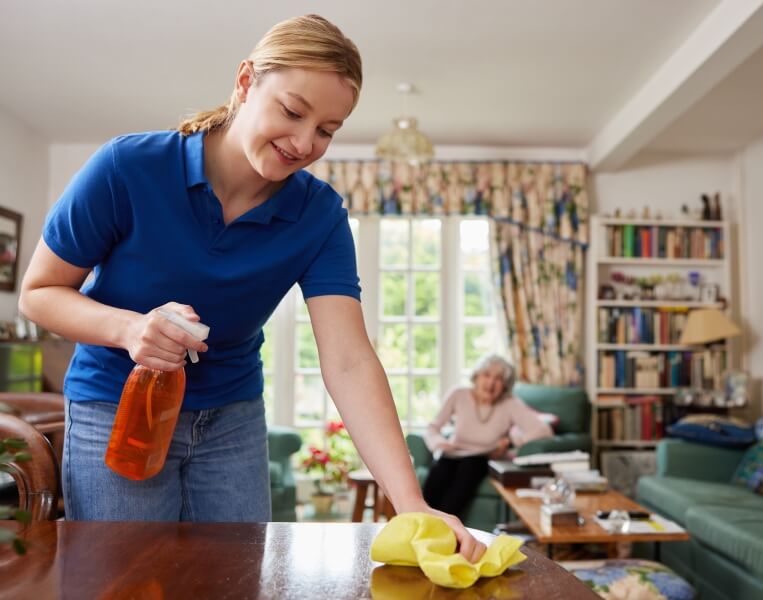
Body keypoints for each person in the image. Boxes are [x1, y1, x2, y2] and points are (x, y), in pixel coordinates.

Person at [18, 14, 486, 561]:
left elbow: (349, 360)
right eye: (292, 111)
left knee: (235, 581)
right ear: (245, 82)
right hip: (116, 410)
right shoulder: (129, 168)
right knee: (127, 580)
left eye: (328, 130)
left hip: (231, 420)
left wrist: (411, 504)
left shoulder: (319, 215)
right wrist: (128, 327)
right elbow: (39, 292)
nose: (305, 142)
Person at [422, 354, 554, 516]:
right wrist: (439, 442)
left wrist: (511, 442)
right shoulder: (458, 394)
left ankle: (446, 528)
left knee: (469, 468)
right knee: (440, 471)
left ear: (505, 385)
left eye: (498, 379)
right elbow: (433, 427)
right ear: (476, 377)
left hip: (482, 458)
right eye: (486, 375)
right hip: (453, 453)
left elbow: (542, 430)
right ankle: (420, 523)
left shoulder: (510, 403)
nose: (491, 383)